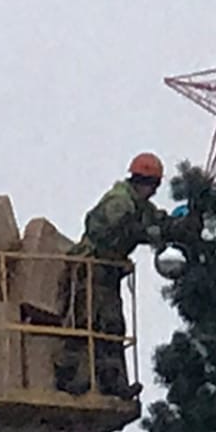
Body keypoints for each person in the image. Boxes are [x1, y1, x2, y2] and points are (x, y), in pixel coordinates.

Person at [56, 152, 165, 397]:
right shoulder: (119, 201)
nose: (154, 192)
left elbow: (157, 221)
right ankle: (67, 378)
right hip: (89, 269)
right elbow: (102, 230)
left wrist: (176, 224)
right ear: (143, 182)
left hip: (107, 273)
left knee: (112, 327)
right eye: (153, 185)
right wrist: (140, 232)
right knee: (83, 322)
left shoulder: (139, 205)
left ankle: (112, 384)